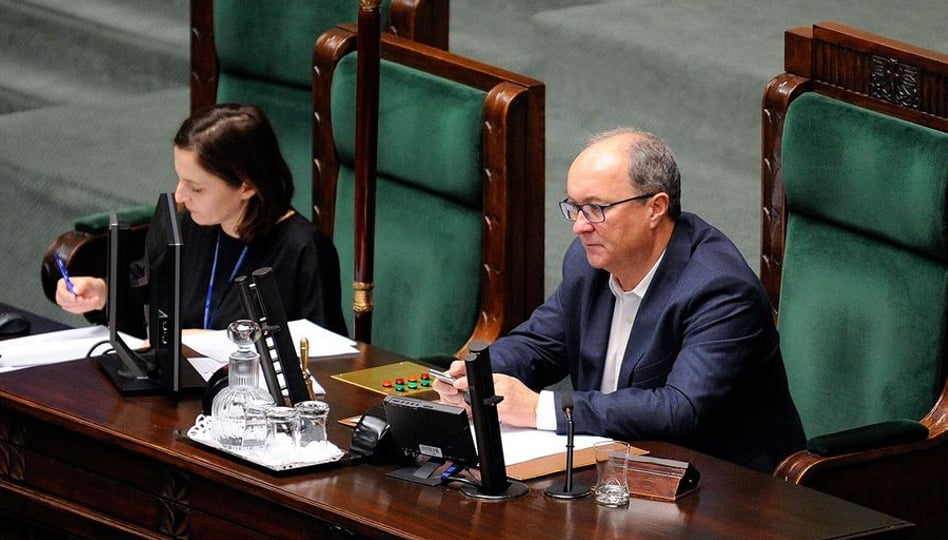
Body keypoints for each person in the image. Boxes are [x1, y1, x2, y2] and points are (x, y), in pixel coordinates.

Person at [434, 128, 805, 472]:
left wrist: (540, 408)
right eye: (574, 208)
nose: (580, 226)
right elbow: (540, 344)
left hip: (721, 489)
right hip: (613, 468)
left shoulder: (719, 289)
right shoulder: (588, 261)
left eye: (596, 209)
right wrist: (476, 377)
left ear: (655, 208)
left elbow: (680, 409)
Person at [56, 103, 347, 336]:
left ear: (246, 186)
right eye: (180, 180)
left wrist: (206, 342)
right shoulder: (190, 225)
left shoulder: (304, 249)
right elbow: (146, 281)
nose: (180, 195)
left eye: (196, 187)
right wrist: (102, 290)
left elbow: (324, 354)